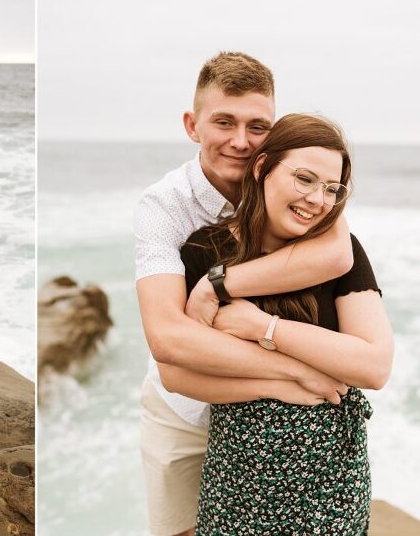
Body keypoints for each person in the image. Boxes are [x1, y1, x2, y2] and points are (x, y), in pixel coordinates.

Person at [135, 53, 354, 536]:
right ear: (193, 125)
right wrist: (294, 373)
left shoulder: (300, 193)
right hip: (188, 408)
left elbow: (338, 256)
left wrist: (219, 285)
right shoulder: (163, 207)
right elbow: (168, 341)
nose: (240, 141)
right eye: (223, 122)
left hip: (268, 427)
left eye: (257, 126)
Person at [163, 113, 393, 533]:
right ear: (262, 166)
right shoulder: (202, 252)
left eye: (331, 189)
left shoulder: (341, 255)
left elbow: (374, 366)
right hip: (236, 490)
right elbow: (178, 374)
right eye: (304, 179)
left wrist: (261, 327)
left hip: (332, 492)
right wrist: (292, 380)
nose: (317, 200)